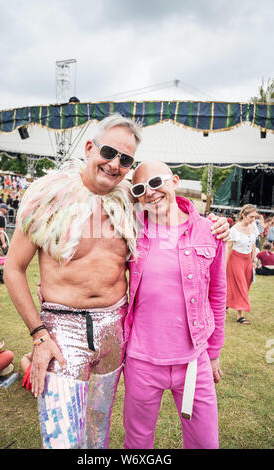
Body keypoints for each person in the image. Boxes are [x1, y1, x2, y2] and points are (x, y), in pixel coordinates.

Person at [3, 114, 229, 450]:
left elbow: (170, 209)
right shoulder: (47, 197)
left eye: (125, 159)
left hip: (116, 330)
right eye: (109, 152)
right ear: (90, 147)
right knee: (63, 439)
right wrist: (39, 335)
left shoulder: (130, 201)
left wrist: (213, 224)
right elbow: (13, 269)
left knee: (98, 435)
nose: (115, 164)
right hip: (63, 330)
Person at [122, 161, 226, 449]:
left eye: (157, 182)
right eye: (140, 189)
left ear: (175, 181)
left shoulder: (209, 231)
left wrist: (214, 351)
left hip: (194, 360)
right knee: (138, 443)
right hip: (142, 361)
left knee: (205, 443)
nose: (151, 193)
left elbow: (217, 294)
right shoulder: (130, 232)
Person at [226, 204, 259, 325]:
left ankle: (225, 304)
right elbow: (228, 248)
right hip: (235, 260)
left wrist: (254, 260)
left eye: (255, 217)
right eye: (251, 217)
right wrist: (224, 266)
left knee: (246, 285)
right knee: (241, 287)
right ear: (244, 215)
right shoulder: (234, 230)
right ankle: (240, 316)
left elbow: (254, 244)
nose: (253, 219)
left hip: (248, 260)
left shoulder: (254, 226)